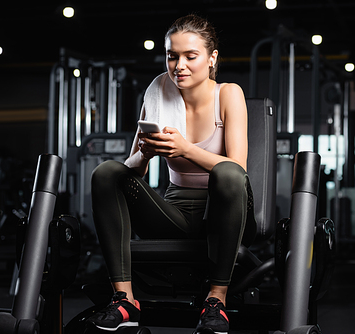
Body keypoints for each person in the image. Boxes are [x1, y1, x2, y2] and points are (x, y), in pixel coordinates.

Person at [87, 14, 255, 334]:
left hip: (225, 212)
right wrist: (145, 154)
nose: (179, 65)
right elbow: (132, 168)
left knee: (229, 174)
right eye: (172, 55)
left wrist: (185, 149)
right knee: (107, 172)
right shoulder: (157, 93)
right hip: (173, 212)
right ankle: (124, 299)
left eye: (190, 56)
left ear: (211, 58)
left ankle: (215, 300)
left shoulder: (228, 94)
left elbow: (238, 168)